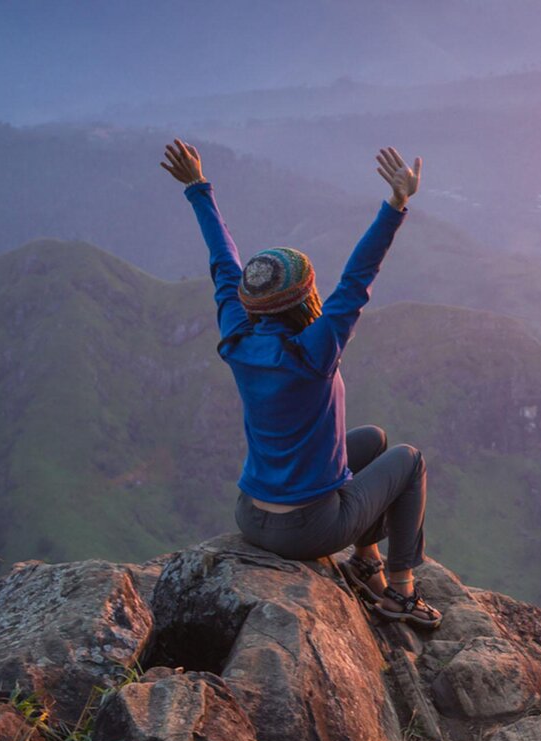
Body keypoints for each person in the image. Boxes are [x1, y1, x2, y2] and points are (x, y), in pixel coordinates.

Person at [160, 138, 441, 629]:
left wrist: (197, 187)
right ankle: (401, 593)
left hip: (251, 515)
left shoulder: (238, 338)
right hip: (308, 528)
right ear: (306, 297)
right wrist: (397, 204)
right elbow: (358, 276)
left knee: (373, 440)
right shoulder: (315, 351)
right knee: (409, 460)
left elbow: (224, 266)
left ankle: (366, 560)